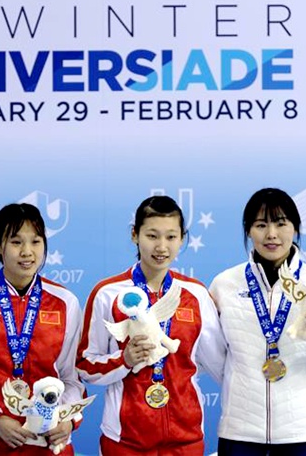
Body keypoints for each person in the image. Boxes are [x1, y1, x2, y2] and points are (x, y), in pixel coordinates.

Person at [77, 195, 226, 455]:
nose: (161, 247)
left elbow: (221, 365)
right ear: (135, 235)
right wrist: (124, 360)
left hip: (186, 440)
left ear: (182, 239)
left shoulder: (197, 295)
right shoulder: (107, 294)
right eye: (152, 236)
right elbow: (85, 366)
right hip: (125, 442)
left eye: (171, 237)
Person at [209, 188, 306, 456]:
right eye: (261, 225)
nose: (271, 234)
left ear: (295, 229)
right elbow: (214, 358)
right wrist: (242, 382)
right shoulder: (225, 284)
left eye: (281, 223)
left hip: (303, 434)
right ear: (248, 230)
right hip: (240, 432)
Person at [0, 203, 85, 455]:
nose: (27, 252)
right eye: (16, 242)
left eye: (36, 242)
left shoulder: (65, 302)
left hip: (49, 443)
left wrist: (68, 419)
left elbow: (71, 378)